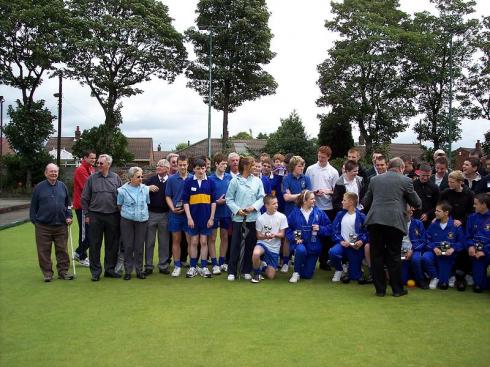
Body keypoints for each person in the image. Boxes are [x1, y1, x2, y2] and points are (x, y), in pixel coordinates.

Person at [363, 157, 421, 297]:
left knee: (376, 255)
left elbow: (366, 202)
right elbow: (416, 202)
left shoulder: (375, 180)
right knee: (393, 255)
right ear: (401, 168)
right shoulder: (405, 180)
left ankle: (380, 290)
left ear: (389, 166)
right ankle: (397, 290)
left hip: (375, 221)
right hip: (394, 222)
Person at [30, 163, 74, 282]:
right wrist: (36, 222)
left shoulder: (63, 186)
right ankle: (47, 273)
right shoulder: (39, 187)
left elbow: (68, 204)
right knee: (44, 251)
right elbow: (33, 207)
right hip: (43, 226)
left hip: (61, 225)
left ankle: (63, 272)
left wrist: (69, 216)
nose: (54, 173)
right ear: (46, 173)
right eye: (51, 171)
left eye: (55, 171)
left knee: (62, 250)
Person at [82, 154, 122, 281]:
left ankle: (109, 270)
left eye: (101, 163)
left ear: (108, 164)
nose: (98, 165)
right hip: (95, 216)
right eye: (97, 163)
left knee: (112, 245)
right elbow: (84, 198)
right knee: (95, 245)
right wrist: (87, 215)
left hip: (113, 216)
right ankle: (95, 272)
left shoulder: (116, 178)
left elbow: (121, 197)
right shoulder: (91, 179)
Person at [225, 156, 265, 281]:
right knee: (235, 245)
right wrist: (238, 210)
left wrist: (253, 207)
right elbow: (229, 198)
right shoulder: (235, 181)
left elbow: (262, 197)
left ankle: (246, 270)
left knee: (250, 245)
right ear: (245, 166)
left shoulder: (257, 180)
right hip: (238, 219)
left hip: (252, 218)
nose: (254, 167)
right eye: (252, 165)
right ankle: (232, 271)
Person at [286, 190, 332, 283]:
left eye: (314, 199)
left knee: (307, 275)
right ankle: (296, 272)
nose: (314, 201)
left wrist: (320, 228)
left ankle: (301, 265)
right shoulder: (295, 213)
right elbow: (289, 228)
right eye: (312, 199)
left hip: (314, 245)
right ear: (304, 201)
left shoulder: (319, 212)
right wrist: (296, 238)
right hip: (300, 243)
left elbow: (329, 228)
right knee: (300, 250)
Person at [182, 158, 216, 278]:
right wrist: (189, 218)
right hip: (193, 219)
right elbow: (185, 201)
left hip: (206, 219)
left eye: (202, 168)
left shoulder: (211, 182)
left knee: (203, 242)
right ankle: (192, 267)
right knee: (194, 242)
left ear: (205, 168)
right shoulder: (189, 182)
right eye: (198, 168)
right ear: (194, 169)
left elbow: (213, 202)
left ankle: (204, 267)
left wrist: (211, 218)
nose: (200, 171)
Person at [117, 167, 150, 280]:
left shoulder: (145, 189)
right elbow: (119, 205)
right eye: (138, 177)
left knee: (139, 246)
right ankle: (128, 271)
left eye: (141, 176)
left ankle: (139, 271)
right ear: (130, 178)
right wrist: (128, 214)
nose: (141, 179)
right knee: (128, 246)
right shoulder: (122, 190)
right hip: (127, 220)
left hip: (142, 220)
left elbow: (147, 202)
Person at [423, 201, 464, 290]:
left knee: (443, 284)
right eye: (435, 210)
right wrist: (434, 248)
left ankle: (451, 275)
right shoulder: (433, 224)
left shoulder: (455, 225)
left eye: (438, 211)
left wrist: (453, 249)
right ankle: (434, 277)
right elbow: (427, 239)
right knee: (425, 257)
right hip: (435, 253)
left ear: (446, 213)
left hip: (449, 255)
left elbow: (461, 242)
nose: (435, 212)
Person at [328, 192, 367, 284]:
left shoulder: (361, 216)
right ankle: (339, 269)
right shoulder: (340, 215)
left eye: (344, 200)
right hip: (342, 244)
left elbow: (367, 232)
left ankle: (353, 268)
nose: (342, 202)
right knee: (333, 252)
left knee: (355, 277)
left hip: (355, 246)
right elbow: (334, 231)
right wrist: (341, 241)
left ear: (351, 202)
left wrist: (361, 241)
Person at [281, 155, 312, 271]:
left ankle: (301, 260)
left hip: (303, 212)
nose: (302, 168)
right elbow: (286, 198)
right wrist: (300, 195)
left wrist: (293, 195)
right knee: (288, 237)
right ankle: (285, 261)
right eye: (300, 166)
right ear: (293, 166)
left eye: (303, 166)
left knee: (301, 235)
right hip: (290, 212)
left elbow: (308, 197)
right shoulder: (286, 179)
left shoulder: (306, 179)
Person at [165, 154, 192, 277]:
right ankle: (177, 266)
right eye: (180, 165)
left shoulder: (193, 178)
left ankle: (192, 266)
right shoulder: (171, 179)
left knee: (190, 241)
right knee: (176, 240)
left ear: (187, 164)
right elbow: (168, 196)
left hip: (189, 215)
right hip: (175, 214)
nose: (182, 167)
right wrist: (173, 209)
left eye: (184, 165)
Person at [251, 195, 288, 283]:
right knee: (256, 253)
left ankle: (262, 265)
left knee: (271, 276)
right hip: (263, 244)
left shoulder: (282, 217)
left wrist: (274, 235)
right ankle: (256, 274)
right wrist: (266, 236)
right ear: (266, 205)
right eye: (274, 204)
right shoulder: (260, 218)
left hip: (274, 248)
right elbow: (259, 236)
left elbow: (282, 235)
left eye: (277, 203)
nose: (276, 205)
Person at [143, 159, 171, 275]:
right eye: (158, 165)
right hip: (151, 214)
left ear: (167, 169)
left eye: (161, 166)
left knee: (164, 242)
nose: (158, 167)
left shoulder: (171, 181)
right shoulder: (150, 180)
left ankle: (163, 265)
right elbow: (139, 189)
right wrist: (147, 188)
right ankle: (148, 266)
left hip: (166, 214)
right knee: (149, 242)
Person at [208, 153, 233, 274]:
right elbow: (207, 198)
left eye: (225, 164)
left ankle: (222, 262)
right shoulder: (209, 179)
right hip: (213, 213)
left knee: (224, 237)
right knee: (212, 238)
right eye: (222, 164)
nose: (225, 166)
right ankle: (214, 264)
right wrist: (217, 202)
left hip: (227, 213)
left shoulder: (230, 177)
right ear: (216, 164)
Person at [72, 150, 96, 267]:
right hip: (82, 206)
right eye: (91, 158)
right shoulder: (80, 170)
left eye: (94, 158)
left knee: (90, 232)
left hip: (90, 206)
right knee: (85, 233)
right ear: (85, 157)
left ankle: (80, 254)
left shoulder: (91, 169)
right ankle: (80, 255)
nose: (93, 160)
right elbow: (88, 188)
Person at [466, 193, 490, 293]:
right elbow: (467, 236)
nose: (473, 206)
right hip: (477, 253)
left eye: (476, 204)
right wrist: (470, 246)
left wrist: (485, 251)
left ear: (484, 204)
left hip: (488, 251)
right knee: (479, 286)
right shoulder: (472, 217)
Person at [402, 205, 427, 289]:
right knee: (403, 281)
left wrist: (412, 250)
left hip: (415, 249)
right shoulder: (397, 224)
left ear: (411, 213)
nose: (407, 214)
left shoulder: (418, 223)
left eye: (408, 212)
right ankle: (405, 278)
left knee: (416, 260)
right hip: (401, 250)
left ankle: (421, 281)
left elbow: (423, 241)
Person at [413, 162, 440, 228]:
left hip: (429, 221)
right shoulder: (412, 185)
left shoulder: (434, 187)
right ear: (419, 173)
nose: (425, 178)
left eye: (428, 176)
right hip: (414, 219)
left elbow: (438, 205)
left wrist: (428, 214)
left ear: (431, 174)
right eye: (423, 175)